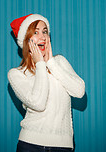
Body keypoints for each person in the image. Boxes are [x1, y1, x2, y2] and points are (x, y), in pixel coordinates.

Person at [8, 14, 85, 152]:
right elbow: (38, 103)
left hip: (63, 146)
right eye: (36, 32)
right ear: (26, 40)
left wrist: (50, 63)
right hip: (30, 144)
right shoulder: (17, 74)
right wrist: (40, 65)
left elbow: (79, 91)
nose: (42, 36)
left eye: (44, 32)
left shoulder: (59, 62)